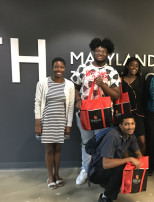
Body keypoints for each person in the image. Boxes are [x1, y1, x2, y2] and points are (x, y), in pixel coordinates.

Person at [70, 37, 121, 185]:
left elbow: (116, 94)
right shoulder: (83, 68)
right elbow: (74, 86)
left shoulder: (111, 71)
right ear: (93, 51)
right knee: (86, 142)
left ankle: (98, 172)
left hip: (103, 113)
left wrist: (103, 86)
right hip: (85, 112)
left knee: (102, 143)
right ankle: (85, 169)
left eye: (103, 51)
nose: (100, 53)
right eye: (97, 50)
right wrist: (78, 100)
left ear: (108, 53)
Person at [34, 57, 75, 189]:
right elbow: (38, 103)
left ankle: (57, 175)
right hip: (47, 120)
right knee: (49, 149)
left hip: (61, 121)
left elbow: (70, 106)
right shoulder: (42, 83)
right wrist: (37, 123)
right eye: (56, 67)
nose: (59, 69)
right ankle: (50, 177)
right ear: (52, 67)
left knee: (58, 149)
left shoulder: (69, 85)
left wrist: (68, 124)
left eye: (61, 67)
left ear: (65, 68)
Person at [89, 114, 143, 202]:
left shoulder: (131, 136)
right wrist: (129, 159)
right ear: (120, 126)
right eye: (126, 124)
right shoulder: (112, 136)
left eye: (132, 123)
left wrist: (140, 168)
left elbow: (138, 153)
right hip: (97, 172)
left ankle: (113, 185)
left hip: (110, 168)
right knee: (123, 166)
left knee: (130, 162)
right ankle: (105, 197)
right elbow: (105, 164)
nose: (130, 127)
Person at [121, 57, 146, 154]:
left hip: (138, 115)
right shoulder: (120, 79)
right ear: (127, 66)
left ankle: (141, 166)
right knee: (124, 142)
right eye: (131, 65)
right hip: (124, 114)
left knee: (142, 142)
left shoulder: (141, 80)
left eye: (137, 66)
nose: (134, 67)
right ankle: (127, 167)